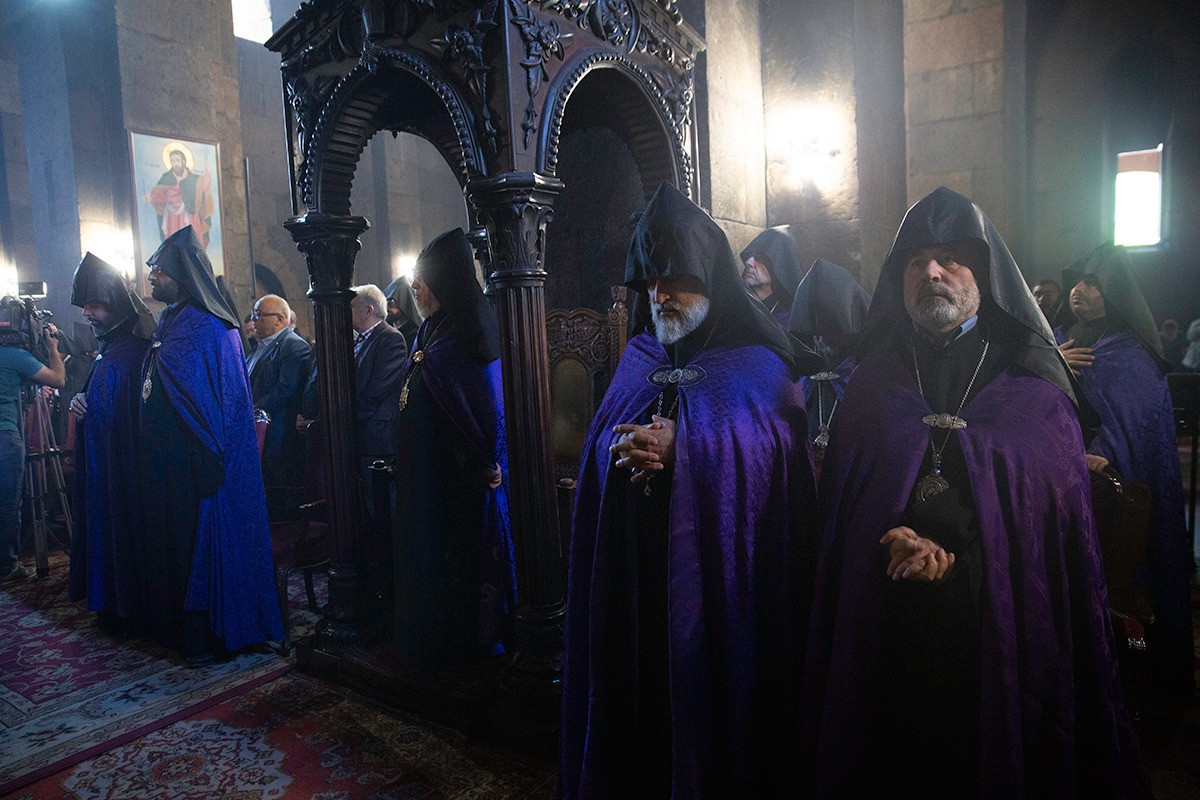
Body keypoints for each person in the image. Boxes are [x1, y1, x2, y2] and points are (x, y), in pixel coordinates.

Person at [802, 187, 1146, 797]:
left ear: (984, 276)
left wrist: (960, 553)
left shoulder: (1034, 389)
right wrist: (894, 538)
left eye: (950, 259)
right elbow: (844, 514)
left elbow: (1046, 535)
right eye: (915, 262)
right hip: (884, 613)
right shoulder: (872, 384)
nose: (931, 272)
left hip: (996, 619)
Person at [563, 183, 815, 798]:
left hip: (717, 582)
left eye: (675, 279)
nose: (660, 295)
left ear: (711, 278)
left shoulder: (759, 362)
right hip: (636, 571)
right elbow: (599, 442)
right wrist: (622, 449)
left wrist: (688, 448)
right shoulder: (639, 355)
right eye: (650, 281)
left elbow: (774, 455)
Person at [139, 225, 282, 664]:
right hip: (169, 463)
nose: (151, 277)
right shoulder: (171, 321)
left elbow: (219, 405)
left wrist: (206, 450)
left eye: (160, 271)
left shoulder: (212, 329)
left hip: (200, 463)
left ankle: (210, 634)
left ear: (182, 276)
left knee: (200, 546)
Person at [1058, 242, 1195, 695]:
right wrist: (1052, 364)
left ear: (1113, 292)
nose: (1078, 290)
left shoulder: (1131, 350)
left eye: (1092, 283)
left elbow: (1134, 423)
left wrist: (1103, 450)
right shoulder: (1061, 338)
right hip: (1060, 479)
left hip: (1110, 490)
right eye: (1076, 282)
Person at [391, 230, 514, 666]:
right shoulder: (430, 329)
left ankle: (461, 649)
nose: (415, 289)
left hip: (459, 479)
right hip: (424, 473)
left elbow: (486, 408)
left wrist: (479, 461)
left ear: (443, 284)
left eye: (422, 281)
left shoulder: (470, 333)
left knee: (459, 564)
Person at [65, 253, 156, 622]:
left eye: (93, 305)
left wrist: (93, 409)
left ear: (115, 305)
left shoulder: (132, 352)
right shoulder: (109, 349)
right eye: (84, 305)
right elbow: (95, 399)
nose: (87, 313)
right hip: (103, 469)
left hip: (124, 472)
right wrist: (81, 401)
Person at [348, 283, 407, 615]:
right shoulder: (358, 341)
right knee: (365, 520)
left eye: (352, 306)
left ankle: (392, 587)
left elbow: (376, 391)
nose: (347, 312)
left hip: (377, 440)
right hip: (359, 437)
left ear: (368, 310)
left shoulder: (390, 340)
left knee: (383, 515)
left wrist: (345, 411)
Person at [0, 301, 65, 584]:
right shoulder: (15, 356)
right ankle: (7, 565)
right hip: (5, 437)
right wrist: (52, 348)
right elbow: (58, 380)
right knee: (7, 505)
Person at [787, 258, 871, 469]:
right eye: (817, 330)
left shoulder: (869, 375)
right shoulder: (802, 376)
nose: (823, 338)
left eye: (832, 329)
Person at [246, 294, 311, 488]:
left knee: (277, 485)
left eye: (259, 315)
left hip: (278, 430)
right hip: (256, 427)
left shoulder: (293, 345)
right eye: (253, 314)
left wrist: (251, 409)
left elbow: (286, 389)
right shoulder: (258, 347)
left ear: (279, 319)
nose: (253, 320)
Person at [147, 148, 214, 246]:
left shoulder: (193, 179)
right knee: (174, 244)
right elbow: (159, 194)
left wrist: (207, 172)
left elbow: (203, 185)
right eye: (173, 161)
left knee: (191, 244)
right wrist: (150, 198)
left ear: (183, 161)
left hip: (189, 215)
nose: (175, 164)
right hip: (171, 217)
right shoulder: (166, 178)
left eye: (177, 160)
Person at [739, 225, 805, 324]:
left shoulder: (791, 319)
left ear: (778, 268)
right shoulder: (736, 307)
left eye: (759, 258)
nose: (748, 262)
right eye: (750, 256)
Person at [383, 274, 420, 345]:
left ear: (403, 304)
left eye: (391, 303)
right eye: (386, 302)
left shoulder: (415, 334)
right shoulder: (385, 329)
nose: (387, 308)